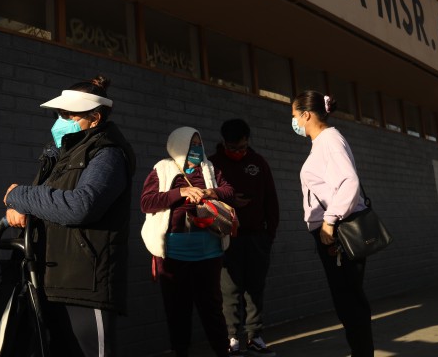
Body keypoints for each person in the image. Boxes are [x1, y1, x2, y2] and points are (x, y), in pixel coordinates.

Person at [3, 75, 135, 357]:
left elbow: (81, 205)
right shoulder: (60, 154)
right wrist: (21, 208)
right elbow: (46, 201)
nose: (59, 121)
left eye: (67, 115)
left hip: (86, 283)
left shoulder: (107, 154)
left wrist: (19, 195)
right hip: (51, 278)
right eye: (58, 114)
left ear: (95, 118)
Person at [140, 126, 236, 357]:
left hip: (209, 250)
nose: (196, 148)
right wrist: (181, 192)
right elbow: (147, 202)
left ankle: (222, 351)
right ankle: (181, 351)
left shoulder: (209, 168)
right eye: (190, 144)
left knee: (212, 308)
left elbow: (229, 191)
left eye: (198, 143)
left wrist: (210, 193)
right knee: (177, 309)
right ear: (177, 145)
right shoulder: (162, 169)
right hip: (174, 252)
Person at [291, 90, 374, 357]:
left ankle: (362, 353)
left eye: (294, 116)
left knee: (349, 300)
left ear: (306, 115)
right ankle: (360, 351)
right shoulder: (322, 142)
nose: (294, 122)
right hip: (333, 230)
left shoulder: (329, 140)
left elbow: (349, 182)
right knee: (346, 299)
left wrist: (329, 221)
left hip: (337, 231)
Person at [209, 119, 279, 356]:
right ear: (224, 143)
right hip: (226, 238)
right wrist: (230, 201)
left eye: (241, 148)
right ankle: (232, 338)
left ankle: (255, 337)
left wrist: (269, 235)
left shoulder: (258, 163)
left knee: (255, 289)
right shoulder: (213, 164)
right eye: (233, 148)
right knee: (229, 290)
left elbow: (271, 200)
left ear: (248, 141)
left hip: (256, 237)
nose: (238, 153)